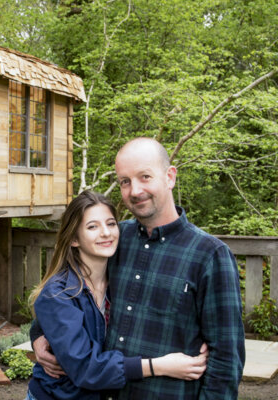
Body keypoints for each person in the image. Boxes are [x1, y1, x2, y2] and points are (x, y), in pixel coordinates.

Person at [31, 137, 245, 399]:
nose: (134, 190)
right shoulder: (117, 239)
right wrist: (39, 335)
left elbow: (225, 362)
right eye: (125, 181)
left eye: (145, 176)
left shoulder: (210, 255)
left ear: (170, 177)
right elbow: (68, 296)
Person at [27, 190, 207, 400]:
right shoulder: (59, 293)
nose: (106, 233)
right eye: (92, 226)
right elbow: (86, 369)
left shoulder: (120, 280)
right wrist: (160, 366)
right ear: (74, 239)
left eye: (111, 224)